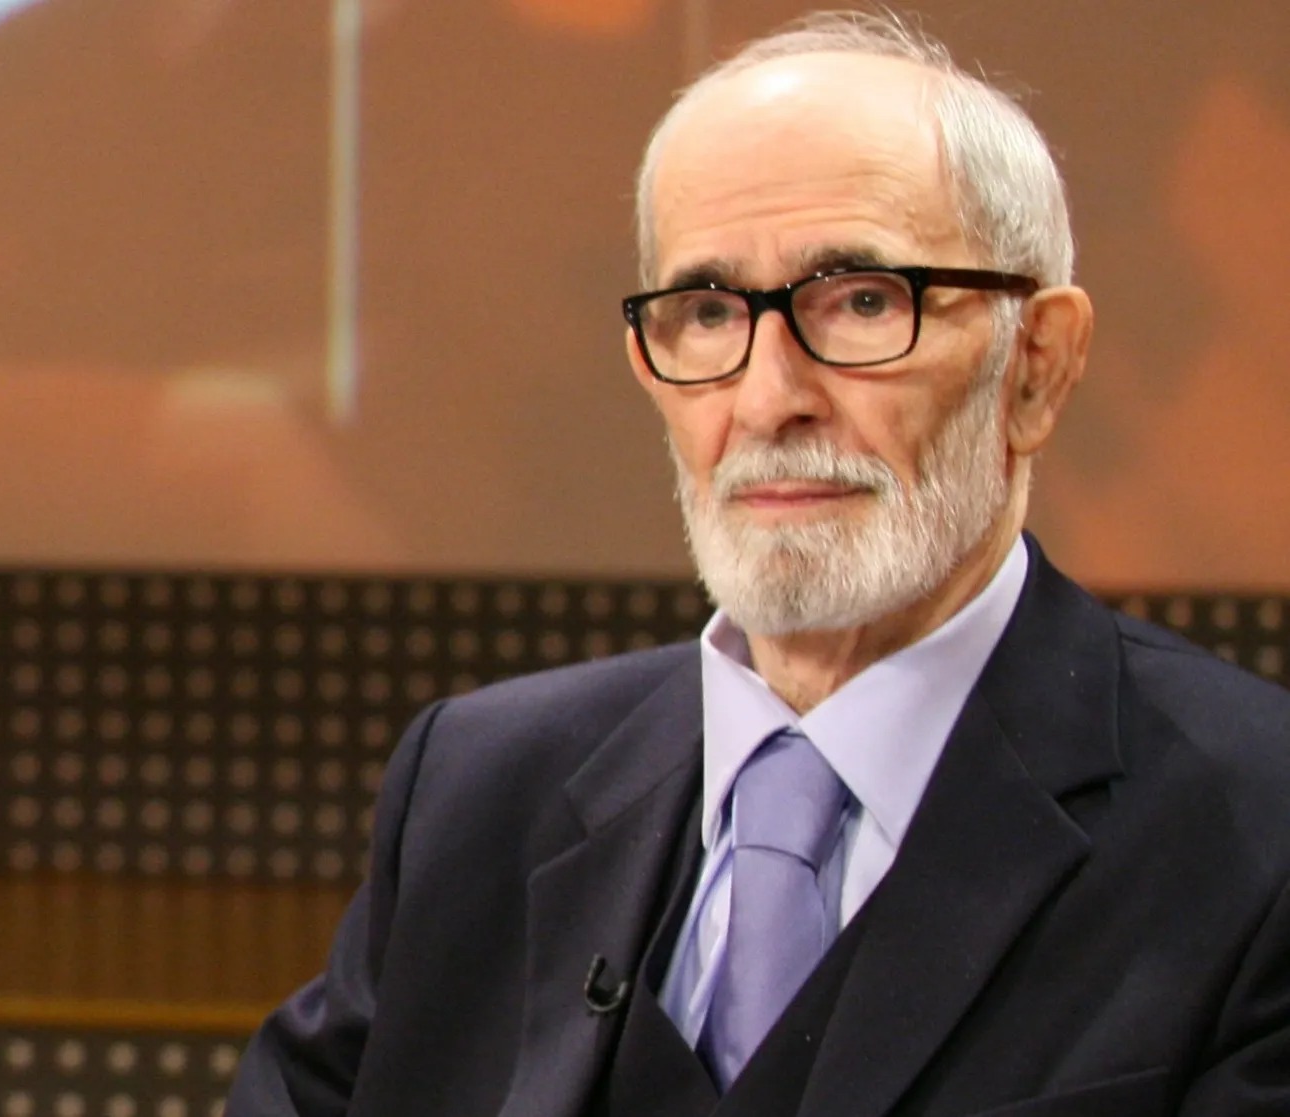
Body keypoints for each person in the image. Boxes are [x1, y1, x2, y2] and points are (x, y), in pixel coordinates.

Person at [226, 10, 1290, 1115]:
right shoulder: (480, 790)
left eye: (865, 302)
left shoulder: (1258, 834)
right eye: (706, 312)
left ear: (1037, 365)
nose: (769, 398)